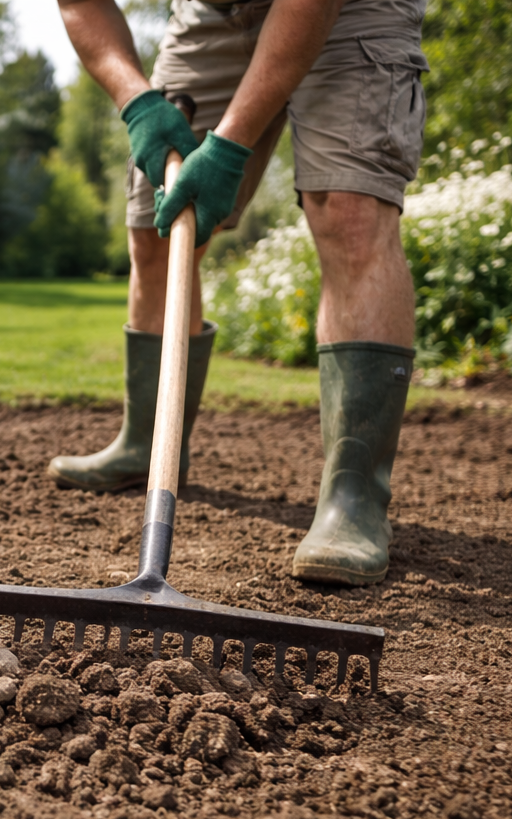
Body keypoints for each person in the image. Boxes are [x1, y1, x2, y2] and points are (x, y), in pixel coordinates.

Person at [51, 0, 427, 586]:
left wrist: (230, 144)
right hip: (213, 12)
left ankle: (353, 498)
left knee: (350, 214)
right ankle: (150, 445)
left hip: (349, 8)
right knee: (161, 225)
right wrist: (138, 102)